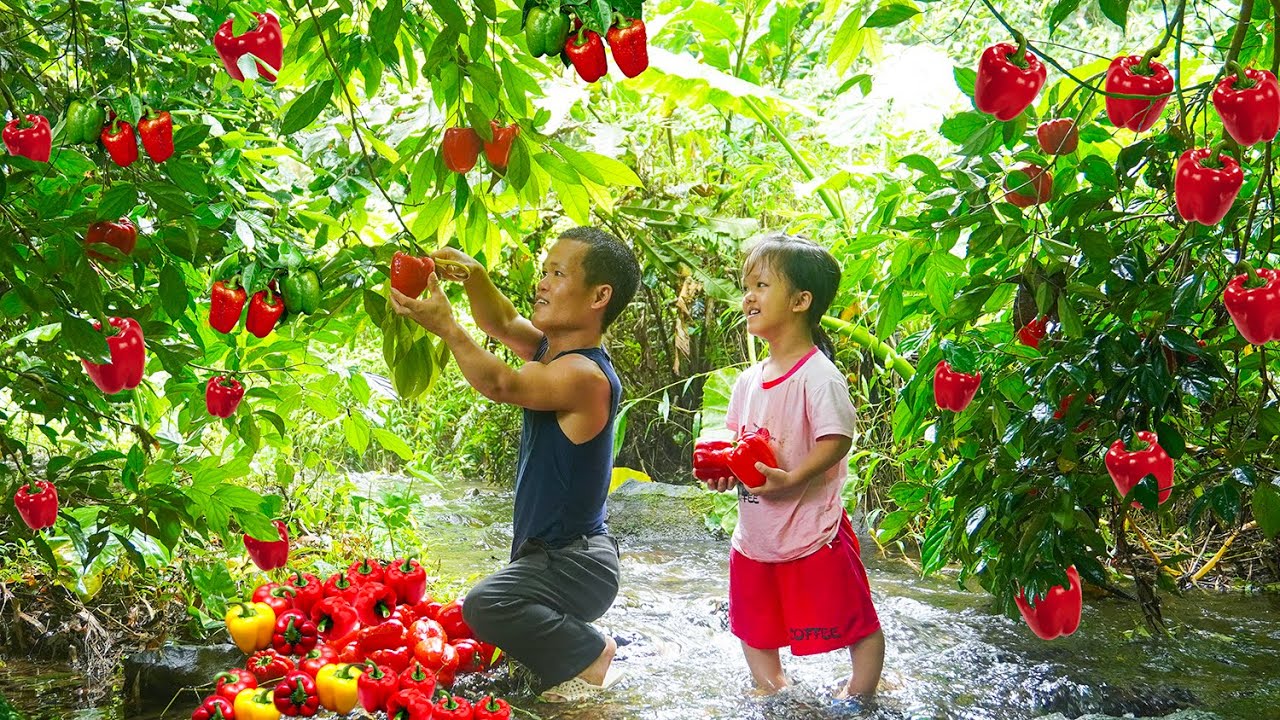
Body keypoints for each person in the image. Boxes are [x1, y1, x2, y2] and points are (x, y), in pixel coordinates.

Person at [389, 226, 640, 703]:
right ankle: (571, 657)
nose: (542, 283)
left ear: (599, 296)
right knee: (495, 611)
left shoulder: (583, 375)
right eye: (544, 271)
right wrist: (474, 276)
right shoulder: (555, 353)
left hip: (575, 562)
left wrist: (447, 327)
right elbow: (502, 322)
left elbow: (502, 383)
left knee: (486, 605)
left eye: (558, 273)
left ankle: (593, 652)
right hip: (555, 556)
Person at [703, 232, 885, 700]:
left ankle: (858, 696)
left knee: (854, 622)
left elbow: (837, 439)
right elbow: (738, 443)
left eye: (762, 285)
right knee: (754, 626)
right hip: (756, 535)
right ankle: (774, 691)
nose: (748, 296)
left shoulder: (817, 374)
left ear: (802, 300)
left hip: (811, 531)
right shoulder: (748, 380)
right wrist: (725, 471)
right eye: (747, 286)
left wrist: (794, 478)